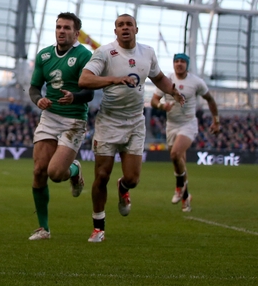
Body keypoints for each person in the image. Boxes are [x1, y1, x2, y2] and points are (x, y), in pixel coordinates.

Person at [79, 14, 185, 242]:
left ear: (136, 29)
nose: (125, 28)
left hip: (135, 122)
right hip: (109, 121)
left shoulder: (147, 52)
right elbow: (85, 80)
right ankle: (98, 227)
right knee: (101, 175)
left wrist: (173, 91)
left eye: (129, 24)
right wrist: (114, 80)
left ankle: (123, 187)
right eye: (120, 25)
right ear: (115, 31)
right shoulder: (105, 52)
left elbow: (159, 78)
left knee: (133, 178)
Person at [27, 13, 94, 240]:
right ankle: (43, 228)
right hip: (50, 117)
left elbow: (89, 92)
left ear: (76, 34)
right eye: (58, 27)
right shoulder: (44, 55)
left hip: (74, 120)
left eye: (66, 28)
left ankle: (74, 171)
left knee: (55, 174)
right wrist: (38, 100)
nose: (61, 31)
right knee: (38, 172)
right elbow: (34, 87)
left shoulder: (85, 55)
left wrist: (74, 97)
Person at [150, 53, 219, 212]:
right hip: (171, 125)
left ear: (187, 64)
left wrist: (216, 121)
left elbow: (210, 99)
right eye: (176, 61)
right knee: (180, 162)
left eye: (182, 61)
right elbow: (154, 101)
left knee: (175, 154)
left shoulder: (196, 82)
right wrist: (162, 106)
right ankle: (186, 197)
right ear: (173, 64)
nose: (179, 64)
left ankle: (179, 186)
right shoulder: (167, 80)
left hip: (188, 124)